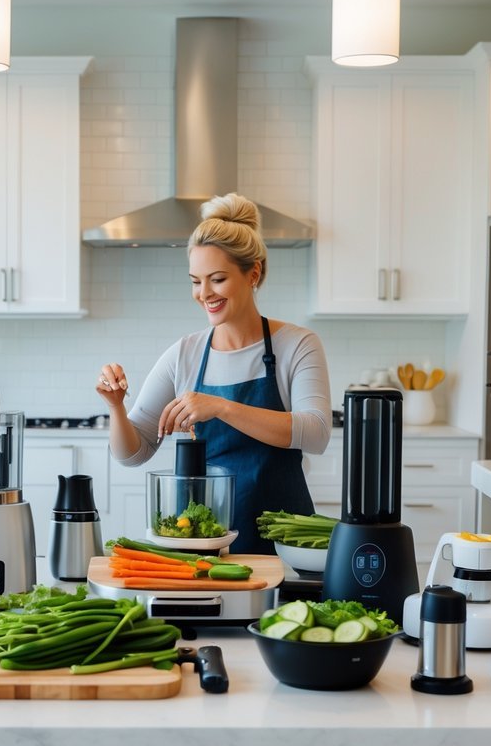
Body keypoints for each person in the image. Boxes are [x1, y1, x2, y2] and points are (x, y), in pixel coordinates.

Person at [96, 193, 331, 555]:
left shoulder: (296, 345)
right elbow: (134, 452)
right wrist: (115, 407)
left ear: (253, 272)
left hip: (286, 546)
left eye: (217, 279)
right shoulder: (184, 354)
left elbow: (315, 432)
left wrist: (221, 407)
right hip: (203, 545)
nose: (204, 293)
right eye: (195, 281)